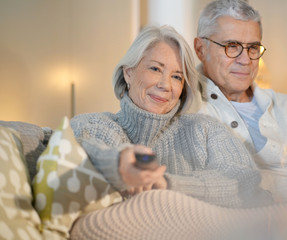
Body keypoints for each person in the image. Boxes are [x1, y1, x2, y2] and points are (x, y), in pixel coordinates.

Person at [70, 25, 271, 209]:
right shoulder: (94, 125)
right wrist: (116, 165)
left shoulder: (205, 129)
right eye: (155, 68)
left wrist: (167, 185)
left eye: (177, 76)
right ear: (129, 73)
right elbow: (66, 150)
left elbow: (243, 179)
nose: (165, 85)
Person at [192, 0, 287, 202]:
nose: (246, 60)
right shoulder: (185, 107)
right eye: (232, 46)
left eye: (253, 48)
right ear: (201, 49)